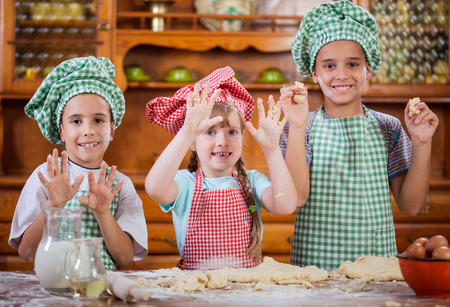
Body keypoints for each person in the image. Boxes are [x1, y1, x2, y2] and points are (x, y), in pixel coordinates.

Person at [279, 0, 439, 269]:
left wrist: (422, 142)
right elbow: (297, 198)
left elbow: (411, 206)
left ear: (368, 68)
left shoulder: (389, 128)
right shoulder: (301, 127)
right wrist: (295, 126)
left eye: (353, 64)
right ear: (314, 73)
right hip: (317, 270)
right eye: (329, 66)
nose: (341, 75)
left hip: (375, 268)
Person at [145, 66, 301, 270]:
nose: (222, 142)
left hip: (246, 292)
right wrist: (186, 133)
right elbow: (154, 188)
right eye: (210, 132)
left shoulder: (253, 182)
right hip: (198, 290)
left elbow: (287, 205)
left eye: (232, 132)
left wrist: (272, 150)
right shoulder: (186, 184)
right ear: (193, 141)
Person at [9, 56, 148, 270]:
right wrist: (53, 205)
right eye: (76, 121)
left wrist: (103, 212)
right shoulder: (46, 177)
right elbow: (26, 253)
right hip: (52, 293)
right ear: (62, 131)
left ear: (111, 129)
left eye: (98, 120)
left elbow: (124, 257)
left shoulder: (121, 185)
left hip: (101, 292)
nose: (88, 130)